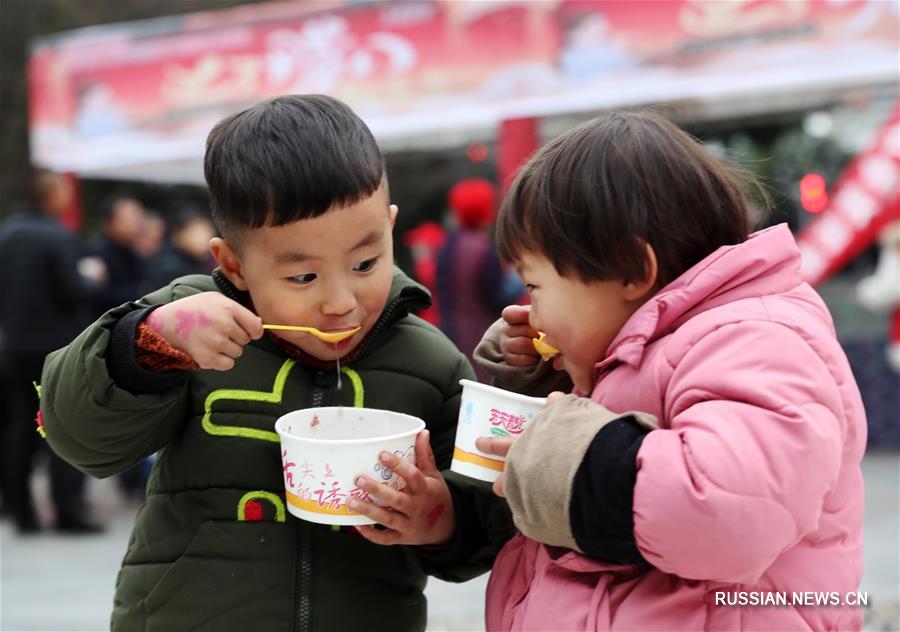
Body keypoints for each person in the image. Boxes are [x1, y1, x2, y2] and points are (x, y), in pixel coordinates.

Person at [40, 95, 513, 631]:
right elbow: (77, 436)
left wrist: (442, 519)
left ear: (390, 226)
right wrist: (145, 344)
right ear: (234, 266)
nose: (341, 301)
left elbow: (490, 519)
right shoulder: (187, 325)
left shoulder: (429, 361)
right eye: (303, 277)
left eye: (365, 262)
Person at [472, 112, 866, 631]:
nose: (533, 313)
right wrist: (552, 381)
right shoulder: (661, 344)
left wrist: (575, 462)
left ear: (632, 271)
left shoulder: (755, 337)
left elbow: (728, 510)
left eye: (536, 287)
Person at [0, 169, 105, 534]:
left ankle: (21, 513)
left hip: (15, 346)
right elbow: (72, 291)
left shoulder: (7, 234)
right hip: (56, 349)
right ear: (49, 195)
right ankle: (67, 512)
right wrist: (92, 277)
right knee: (61, 424)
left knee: (21, 429)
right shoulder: (58, 236)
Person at [436, 178, 524, 382]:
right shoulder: (483, 250)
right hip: (478, 334)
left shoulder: (448, 245)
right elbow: (499, 297)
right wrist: (519, 275)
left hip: (451, 332)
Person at [143, 206, 216, 293]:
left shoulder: (196, 259)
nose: (204, 239)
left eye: (206, 231)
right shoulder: (170, 270)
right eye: (195, 234)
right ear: (177, 236)